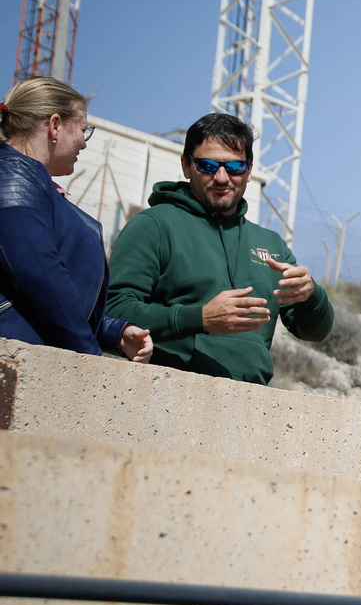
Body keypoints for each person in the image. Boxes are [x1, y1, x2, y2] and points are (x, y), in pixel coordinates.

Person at [106, 113, 334, 384]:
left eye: (235, 167)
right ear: (186, 165)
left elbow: (314, 332)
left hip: (250, 400)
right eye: (208, 165)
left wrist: (311, 295)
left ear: (249, 170)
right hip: (167, 391)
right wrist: (200, 318)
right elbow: (114, 309)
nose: (222, 177)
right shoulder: (153, 225)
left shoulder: (271, 245)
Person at [0, 76, 152, 362]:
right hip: (18, 363)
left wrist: (114, 331)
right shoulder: (14, 175)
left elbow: (54, 298)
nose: (84, 142)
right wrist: (89, 356)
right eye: (84, 130)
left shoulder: (28, 180)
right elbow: (41, 277)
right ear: (55, 125)